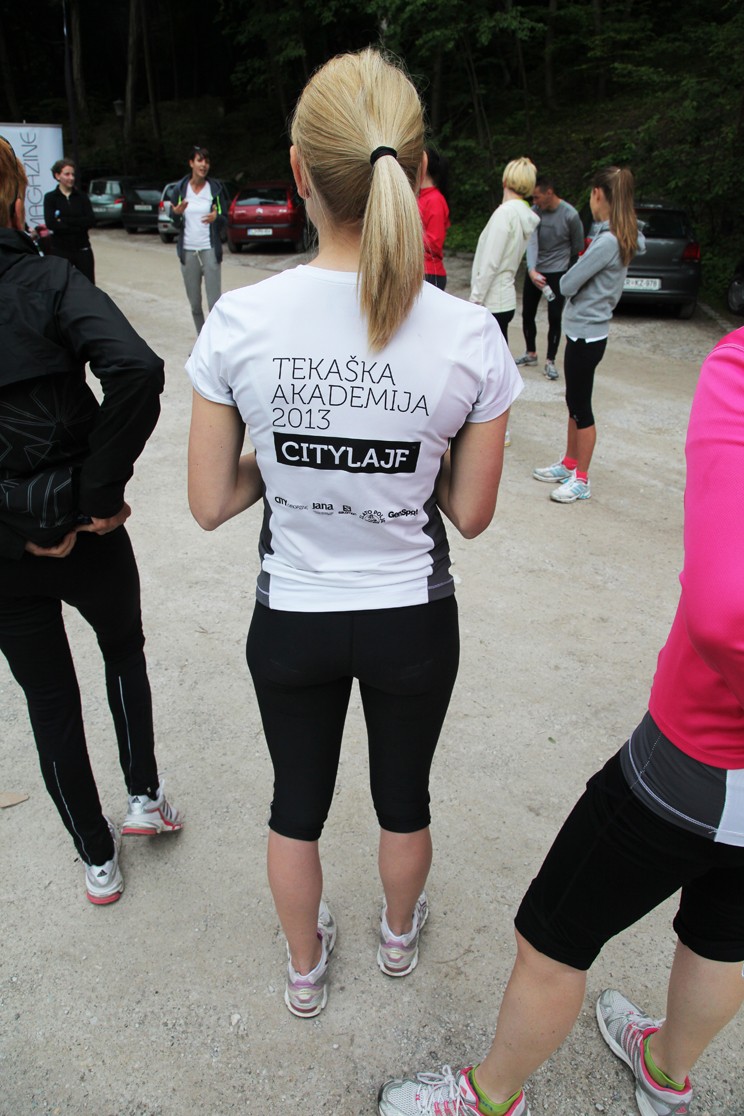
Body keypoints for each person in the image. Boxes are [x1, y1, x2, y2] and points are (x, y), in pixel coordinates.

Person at [187, 48, 521, 1019]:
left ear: (298, 170)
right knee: (404, 798)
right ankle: (398, 937)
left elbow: (208, 501)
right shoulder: (469, 336)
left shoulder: (239, 322)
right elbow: (471, 513)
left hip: (292, 615)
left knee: (295, 805)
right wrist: (408, 450)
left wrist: (283, 455)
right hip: (411, 618)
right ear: (417, 174)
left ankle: (304, 970)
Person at [379, 326, 744, 1116]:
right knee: (724, 930)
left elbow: (726, 614)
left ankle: (490, 1097)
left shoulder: (742, 365)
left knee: (553, 938)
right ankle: (666, 1072)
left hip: (702, 755)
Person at [0, 136, 182, 906]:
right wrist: (96, 497)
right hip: (88, 528)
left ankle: (95, 856)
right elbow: (136, 368)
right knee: (122, 650)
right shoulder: (49, 277)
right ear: (18, 200)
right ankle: (143, 796)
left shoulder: (50, 274)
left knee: (48, 700)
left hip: (7, 548)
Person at [532, 166, 642, 503]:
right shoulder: (619, 235)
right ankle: (569, 462)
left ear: (598, 194)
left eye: (592, 195)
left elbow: (567, 283)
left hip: (587, 334)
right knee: (574, 401)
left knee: (581, 407)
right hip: (586, 331)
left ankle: (581, 479)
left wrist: (573, 277)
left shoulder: (607, 242)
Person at [470, 158, 539, 448]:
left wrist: (475, 299)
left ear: (505, 181)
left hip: (492, 299)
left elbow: (490, 262)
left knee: (487, 369)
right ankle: (496, 426)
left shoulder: (504, 214)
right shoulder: (523, 215)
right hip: (505, 297)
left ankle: (497, 428)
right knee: (494, 366)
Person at [515, 175, 584, 380]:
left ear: (549, 193)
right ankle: (531, 353)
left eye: (537, 197)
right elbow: (531, 242)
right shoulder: (535, 212)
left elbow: (577, 247)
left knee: (554, 316)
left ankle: (550, 361)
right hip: (536, 271)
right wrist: (531, 269)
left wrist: (569, 274)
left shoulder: (570, 215)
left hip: (558, 271)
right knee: (528, 312)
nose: (534, 202)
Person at [169, 145, 229, 335]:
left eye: (207, 161)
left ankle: (215, 340)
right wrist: (176, 214)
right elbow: (174, 221)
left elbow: (225, 218)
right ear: (191, 163)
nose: (204, 165)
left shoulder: (215, 189)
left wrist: (216, 218)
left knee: (214, 304)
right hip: (188, 251)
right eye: (200, 160)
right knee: (195, 304)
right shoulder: (180, 190)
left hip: (209, 249)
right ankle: (202, 339)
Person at [43, 158, 96, 283]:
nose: (71, 178)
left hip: (82, 248)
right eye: (67, 174)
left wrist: (64, 221)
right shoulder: (50, 198)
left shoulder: (82, 197)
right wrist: (77, 223)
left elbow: (90, 220)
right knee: (61, 284)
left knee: (88, 285)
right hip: (61, 250)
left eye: (73, 174)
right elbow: (51, 223)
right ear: (57, 176)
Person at [418, 146, 450, 290]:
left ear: (423, 166)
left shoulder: (434, 199)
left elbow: (435, 243)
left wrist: (405, 235)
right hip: (417, 272)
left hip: (429, 275)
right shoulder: (420, 197)